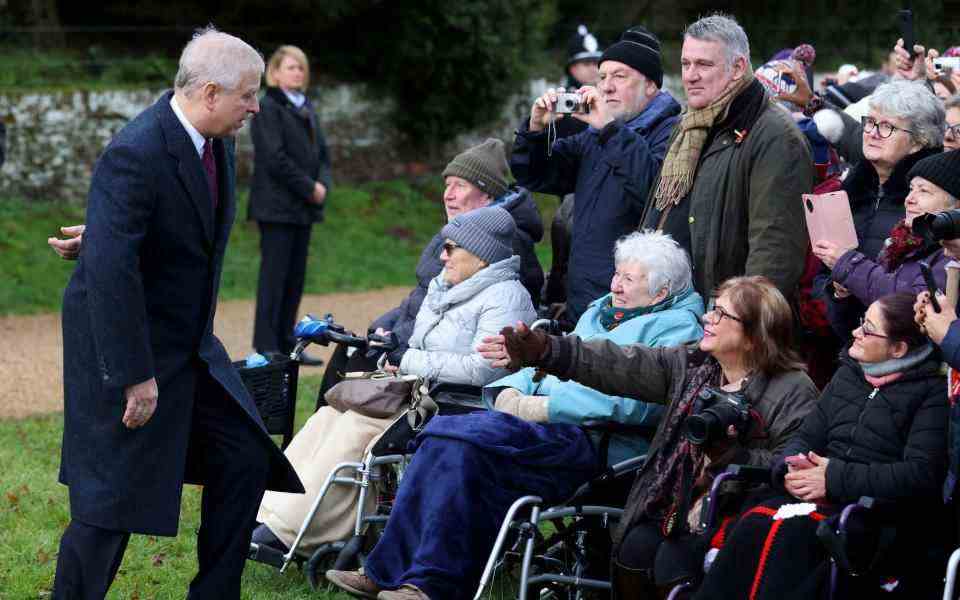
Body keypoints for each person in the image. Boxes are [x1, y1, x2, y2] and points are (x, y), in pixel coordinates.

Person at [51, 27, 303, 599]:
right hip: (125, 346)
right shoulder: (135, 151)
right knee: (110, 500)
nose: (255, 107)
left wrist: (106, 235)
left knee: (243, 458)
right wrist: (135, 376)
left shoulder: (218, 141)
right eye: (247, 95)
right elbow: (113, 277)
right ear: (210, 93)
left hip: (189, 347)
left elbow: (170, 226)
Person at [324, 230, 704, 600]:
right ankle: (389, 573)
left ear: (661, 293)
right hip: (546, 431)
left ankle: (429, 585)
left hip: (599, 443)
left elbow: (639, 404)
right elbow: (552, 360)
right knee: (443, 435)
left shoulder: (677, 330)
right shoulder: (603, 312)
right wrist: (510, 390)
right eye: (617, 273)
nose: (616, 285)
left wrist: (545, 407)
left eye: (629, 279)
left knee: (459, 442)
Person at [479, 275, 819, 597]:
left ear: (755, 335)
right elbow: (619, 364)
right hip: (674, 501)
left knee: (673, 565)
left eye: (721, 313)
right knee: (633, 551)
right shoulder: (694, 364)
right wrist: (546, 350)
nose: (707, 318)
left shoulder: (792, 391)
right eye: (711, 307)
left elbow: (792, 465)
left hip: (739, 514)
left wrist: (733, 456)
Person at [253, 206, 537, 558]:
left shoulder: (507, 297)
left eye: (450, 248)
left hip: (456, 406)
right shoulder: (443, 287)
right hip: (419, 392)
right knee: (326, 418)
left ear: (480, 257)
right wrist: (398, 361)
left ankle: (293, 532)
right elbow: (418, 347)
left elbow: (484, 370)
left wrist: (410, 360)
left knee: (355, 428)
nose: (441, 255)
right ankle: (265, 512)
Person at [696, 292, 948, 599]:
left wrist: (832, 478)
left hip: (869, 512)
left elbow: (919, 475)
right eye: (860, 323)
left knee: (789, 538)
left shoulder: (931, 394)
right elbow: (805, 437)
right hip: (813, 493)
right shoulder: (848, 376)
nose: (856, 333)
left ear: (898, 348)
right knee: (751, 525)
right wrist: (792, 466)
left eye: (867, 329)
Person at [318, 139, 543, 394]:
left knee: (352, 369)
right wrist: (381, 330)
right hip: (412, 346)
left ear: (487, 194)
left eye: (460, 185)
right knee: (347, 352)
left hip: (442, 366)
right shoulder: (457, 230)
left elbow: (464, 325)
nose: (448, 194)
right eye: (447, 185)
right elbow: (419, 298)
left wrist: (397, 349)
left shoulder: (502, 242)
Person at [511, 26, 681, 324]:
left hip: (636, 306)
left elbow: (654, 194)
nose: (607, 86)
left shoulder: (672, 132)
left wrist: (610, 131)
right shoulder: (596, 135)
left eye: (620, 76)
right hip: (584, 301)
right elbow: (537, 175)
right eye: (602, 77)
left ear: (651, 85)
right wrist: (536, 130)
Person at [638, 14, 813, 300]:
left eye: (704, 64)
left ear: (738, 68)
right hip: (669, 310)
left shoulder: (776, 136)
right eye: (685, 63)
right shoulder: (688, 125)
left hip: (721, 321)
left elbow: (774, 252)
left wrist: (735, 321)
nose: (690, 75)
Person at [813, 94, 947, 340]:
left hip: (900, 347)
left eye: (887, 126)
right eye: (870, 122)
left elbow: (913, 298)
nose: (872, 132)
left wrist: (848, 270)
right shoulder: (851, 188)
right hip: (842, 342)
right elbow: (823, 271)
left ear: (919, 141)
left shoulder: (926, 202)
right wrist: (836, 293)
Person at [248, 45, 332, 365]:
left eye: (301, 67)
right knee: (274, 277)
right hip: (276, 207)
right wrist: (309, 187)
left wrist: (322, 182)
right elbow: (274, 158)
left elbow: (322, 154)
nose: (297, 72)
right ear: (275, 73)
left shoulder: (307, 107)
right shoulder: (268, 107)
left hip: (303, 209)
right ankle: (265, 345)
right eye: (291, 67)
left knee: (294, 278)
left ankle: (286, 342)